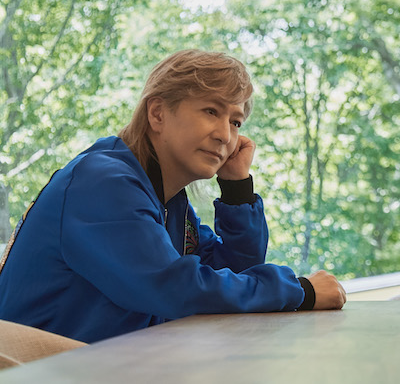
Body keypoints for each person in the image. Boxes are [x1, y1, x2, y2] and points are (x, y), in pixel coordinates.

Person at [0, 50, 346, 343]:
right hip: (41, 370)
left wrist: (238, 190)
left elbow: (235, 269)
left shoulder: (168, 199)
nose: (225, 135)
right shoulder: (102, 183)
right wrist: (300, 291)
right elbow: (174, 288)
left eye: (236, 121)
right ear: (158, 113)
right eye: (211, 111)